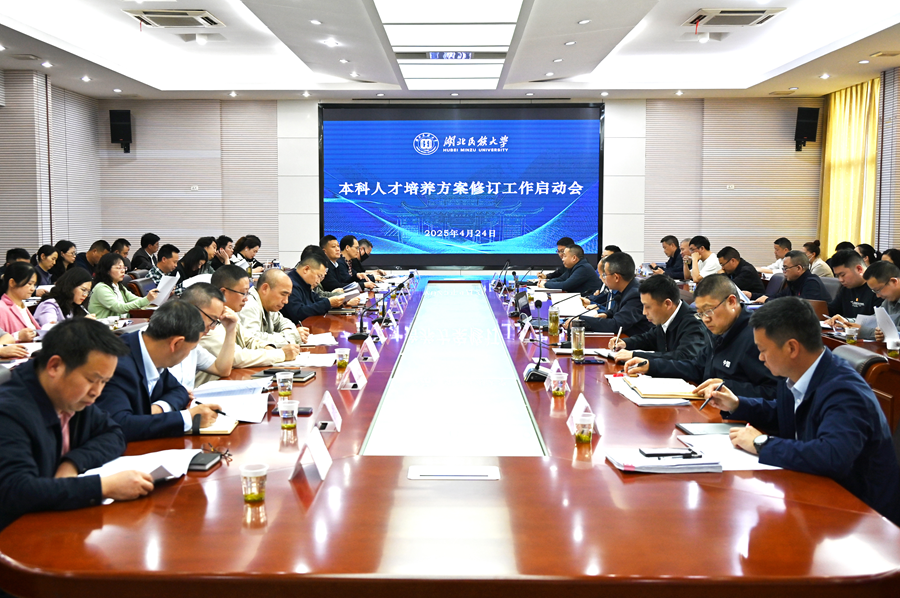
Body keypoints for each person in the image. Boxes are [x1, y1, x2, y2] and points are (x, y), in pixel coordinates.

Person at [696, 297, 900, 526]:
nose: (760, 358)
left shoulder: (845, 391)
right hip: (815, 493)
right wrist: (737, 404)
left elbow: (832, 456)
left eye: (763, 350)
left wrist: (761, 443)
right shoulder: (794, 374)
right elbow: (785, 413)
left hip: (862, 518)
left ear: (792, 348)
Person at [0, 318, 153, 532]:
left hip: (55, 526)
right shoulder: (9, 412)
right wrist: (104, 486)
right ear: (55, 366)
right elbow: (16, 491)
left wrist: (72, 463)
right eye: (92, 380)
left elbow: (114, 433)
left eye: (104, 382)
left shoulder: (71, 398)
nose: (97, 392)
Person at [624, 274, 779, 400]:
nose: (705, 319)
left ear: (732, 302)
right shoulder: (719, 329)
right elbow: (696, 367)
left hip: (743, 419)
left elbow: (775, 392)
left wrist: (725, 387)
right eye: (700, 313)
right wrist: (651, 366)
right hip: (712, 407)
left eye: (708, 310)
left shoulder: (757, 336)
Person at [94, 301, 221, 442]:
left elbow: (179, 390)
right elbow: (119, 425)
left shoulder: (149, 352)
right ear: (176, 343)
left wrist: (158, 409)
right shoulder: (116, 365)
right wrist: (187, 418)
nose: (188, 355)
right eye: (191, 349)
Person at [197, 266, 301, 386]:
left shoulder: (228, 313)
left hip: (228, 383)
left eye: (248, 292)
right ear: (223, 292)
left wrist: (268, 348)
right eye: (243, 293)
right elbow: (236, 357)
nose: (246, 299)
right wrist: (280, 354)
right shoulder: (207, 322)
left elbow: (250, 340)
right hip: (206, 390)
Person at [608, 274, 709, 362]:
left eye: (648, 307)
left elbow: (684, 357)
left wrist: (635, 355)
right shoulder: (666, 317)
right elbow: (648, 339)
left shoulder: (694, 324)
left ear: (667, 304)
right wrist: (625, 343)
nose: (644, 312)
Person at [169, 284, 237, 391]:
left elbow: (222, 370)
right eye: (212, 319)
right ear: (193, 310)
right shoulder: (160, 340)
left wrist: (231, 330)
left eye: (216, 322)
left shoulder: (193, 344)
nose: (213, 327)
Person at [568, 252, 651, 336]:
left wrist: (582, 321)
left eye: (605, 274)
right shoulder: (626, 289)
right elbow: (615, 310)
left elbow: (616, 324)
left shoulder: (635, 295)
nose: (602, 278)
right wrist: (606, 314)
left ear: (616, 277)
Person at [239, 268, 308, 347]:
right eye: (283, 294)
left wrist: (289, 332)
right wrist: (291, 336)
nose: (286, 301)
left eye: (288, 296)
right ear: (265, 288)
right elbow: (252, 340)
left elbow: (284, 322)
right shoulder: (248, 305)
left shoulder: (268, 304)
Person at [283, 246, 348, 324]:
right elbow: (298, 313)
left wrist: (336, 303)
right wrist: (328, 303)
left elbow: (317, 299)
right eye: (318, 276)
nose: (318, 281)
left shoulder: (304, 283)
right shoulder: (290, 284)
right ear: (306, 269)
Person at [88, 253, 158, 320]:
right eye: (119, 268)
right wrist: (147, 299)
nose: (123, 271)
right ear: (107, 270)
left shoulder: (118, 285)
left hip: (121, 323)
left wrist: (151, 300)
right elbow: (120, 308)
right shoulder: (101, 288)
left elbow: (135, 299)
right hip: (103, 326)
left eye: (124, 268)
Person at [823, 250, 882, 328]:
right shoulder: (846, 288)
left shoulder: (878, 289)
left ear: (859, 269)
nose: (840, 280)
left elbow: (877, 321)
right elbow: (832, 310)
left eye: (842, 275)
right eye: (837, 276)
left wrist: (847, 321)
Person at [755, 251, 828, 303]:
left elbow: (800, 306)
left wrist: (767, 300)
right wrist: (753, 295)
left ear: (799, 268)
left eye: (785, 268)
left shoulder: (812, 283)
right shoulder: (794, 281)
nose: (783, 271)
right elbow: (779, 297)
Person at [862, 260, 900, 342]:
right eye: (874, 291)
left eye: (878, 290)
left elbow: (894, 332)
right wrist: (848, 322)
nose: (878, 295)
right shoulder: (888, 300)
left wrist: (862, 330)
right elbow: (874, 320)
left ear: (894, 281)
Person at [0, 263, 39, 340]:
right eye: (29, 284)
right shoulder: (2, 309)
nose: (33, 289)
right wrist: (17, 337)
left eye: (34, 285)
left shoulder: (22, 306)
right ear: (12, 283)